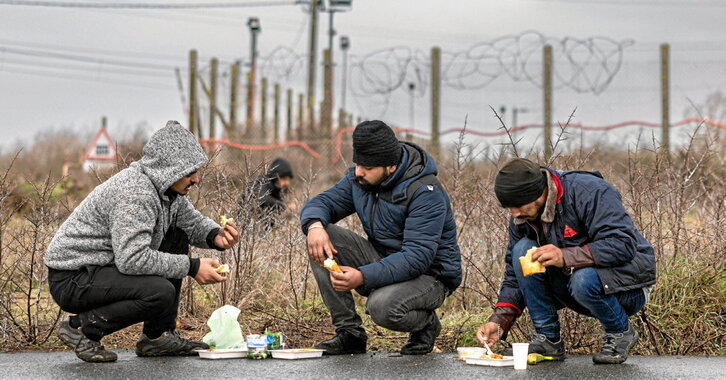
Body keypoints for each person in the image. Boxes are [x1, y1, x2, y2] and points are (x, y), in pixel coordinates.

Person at [45, 121, 240, 363]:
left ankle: (157, 338)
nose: (196, 179)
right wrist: (192, 267)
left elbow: (190, 221)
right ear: (170, 169)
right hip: (73, 278)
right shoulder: (137, 193)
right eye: (190, 172)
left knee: (176, 235)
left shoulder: (166, 189)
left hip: (101, 270)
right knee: (159, 292)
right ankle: (81, 329)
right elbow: (132, 259)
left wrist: (216, 236)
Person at [300, 120, 461, 356]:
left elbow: (417, 258)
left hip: (430, 276)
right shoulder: (360, 180)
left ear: (391, 166)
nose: (358, 172)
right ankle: (350, 334)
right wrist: (314, 226)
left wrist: (363, 276)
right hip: (385, 262)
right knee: (325, 236)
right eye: (357, 164)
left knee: (382, 307)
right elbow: (322, 203)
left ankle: (426, 325)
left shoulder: (425, 193)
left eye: (367, 167)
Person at [476, 158, 655, 364]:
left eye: (517, 206)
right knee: (522, 251)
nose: (514, 214)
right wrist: (499, 321)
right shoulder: (522, 215)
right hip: (573, 286)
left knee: (583, 278)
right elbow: (515, 274)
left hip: (627, 288)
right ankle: (548, 340)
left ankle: (620, 332)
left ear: (538, 193)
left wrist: (565, 256)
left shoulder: (590, 192)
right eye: (508, 208)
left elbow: (622, 244)